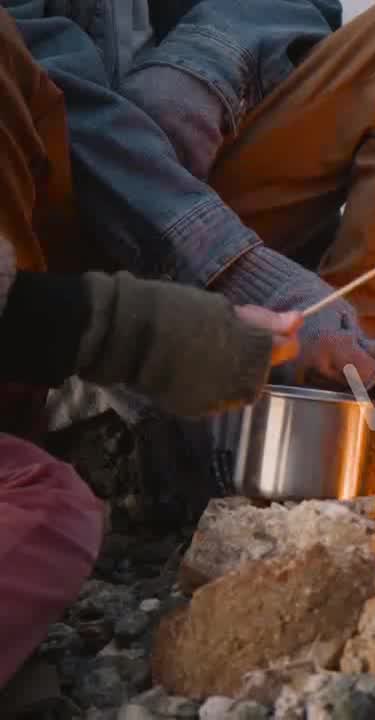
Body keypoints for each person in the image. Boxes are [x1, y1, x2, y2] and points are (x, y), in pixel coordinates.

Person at [0, 6, 299, 687]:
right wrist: (184, 325)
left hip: (195, 142)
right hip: (106, 190)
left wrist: (208, 60)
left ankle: (363, 398)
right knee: (49, 507)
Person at [3, 0, 375, 393]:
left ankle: (339, 388)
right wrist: (243, 272)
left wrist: (203, 67)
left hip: (204, 167)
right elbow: (28, 66)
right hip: (43, 218)